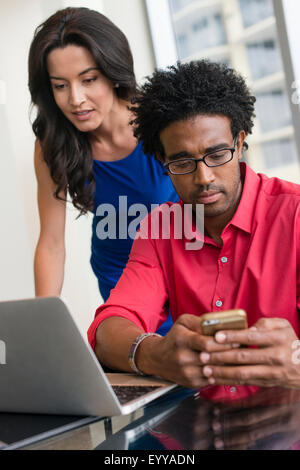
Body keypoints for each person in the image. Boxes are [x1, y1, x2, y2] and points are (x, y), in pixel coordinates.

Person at [88, 60, 300, 400]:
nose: (203, 177)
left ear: (240, 141)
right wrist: (154, 354)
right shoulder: (159, 229)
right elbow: (109, 328)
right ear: (163, 162)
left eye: (217, 154)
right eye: (183, 163)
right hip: (200, 425)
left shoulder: (295, 215)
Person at [28, 7, 177, 335]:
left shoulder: (162, 119)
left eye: (88, 80)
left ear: (113, 72)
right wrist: (43, 324)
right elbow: (52, 242)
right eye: (60, 86)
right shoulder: (53, 142)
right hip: (121, 282)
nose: (76, 99)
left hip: (184, 272)